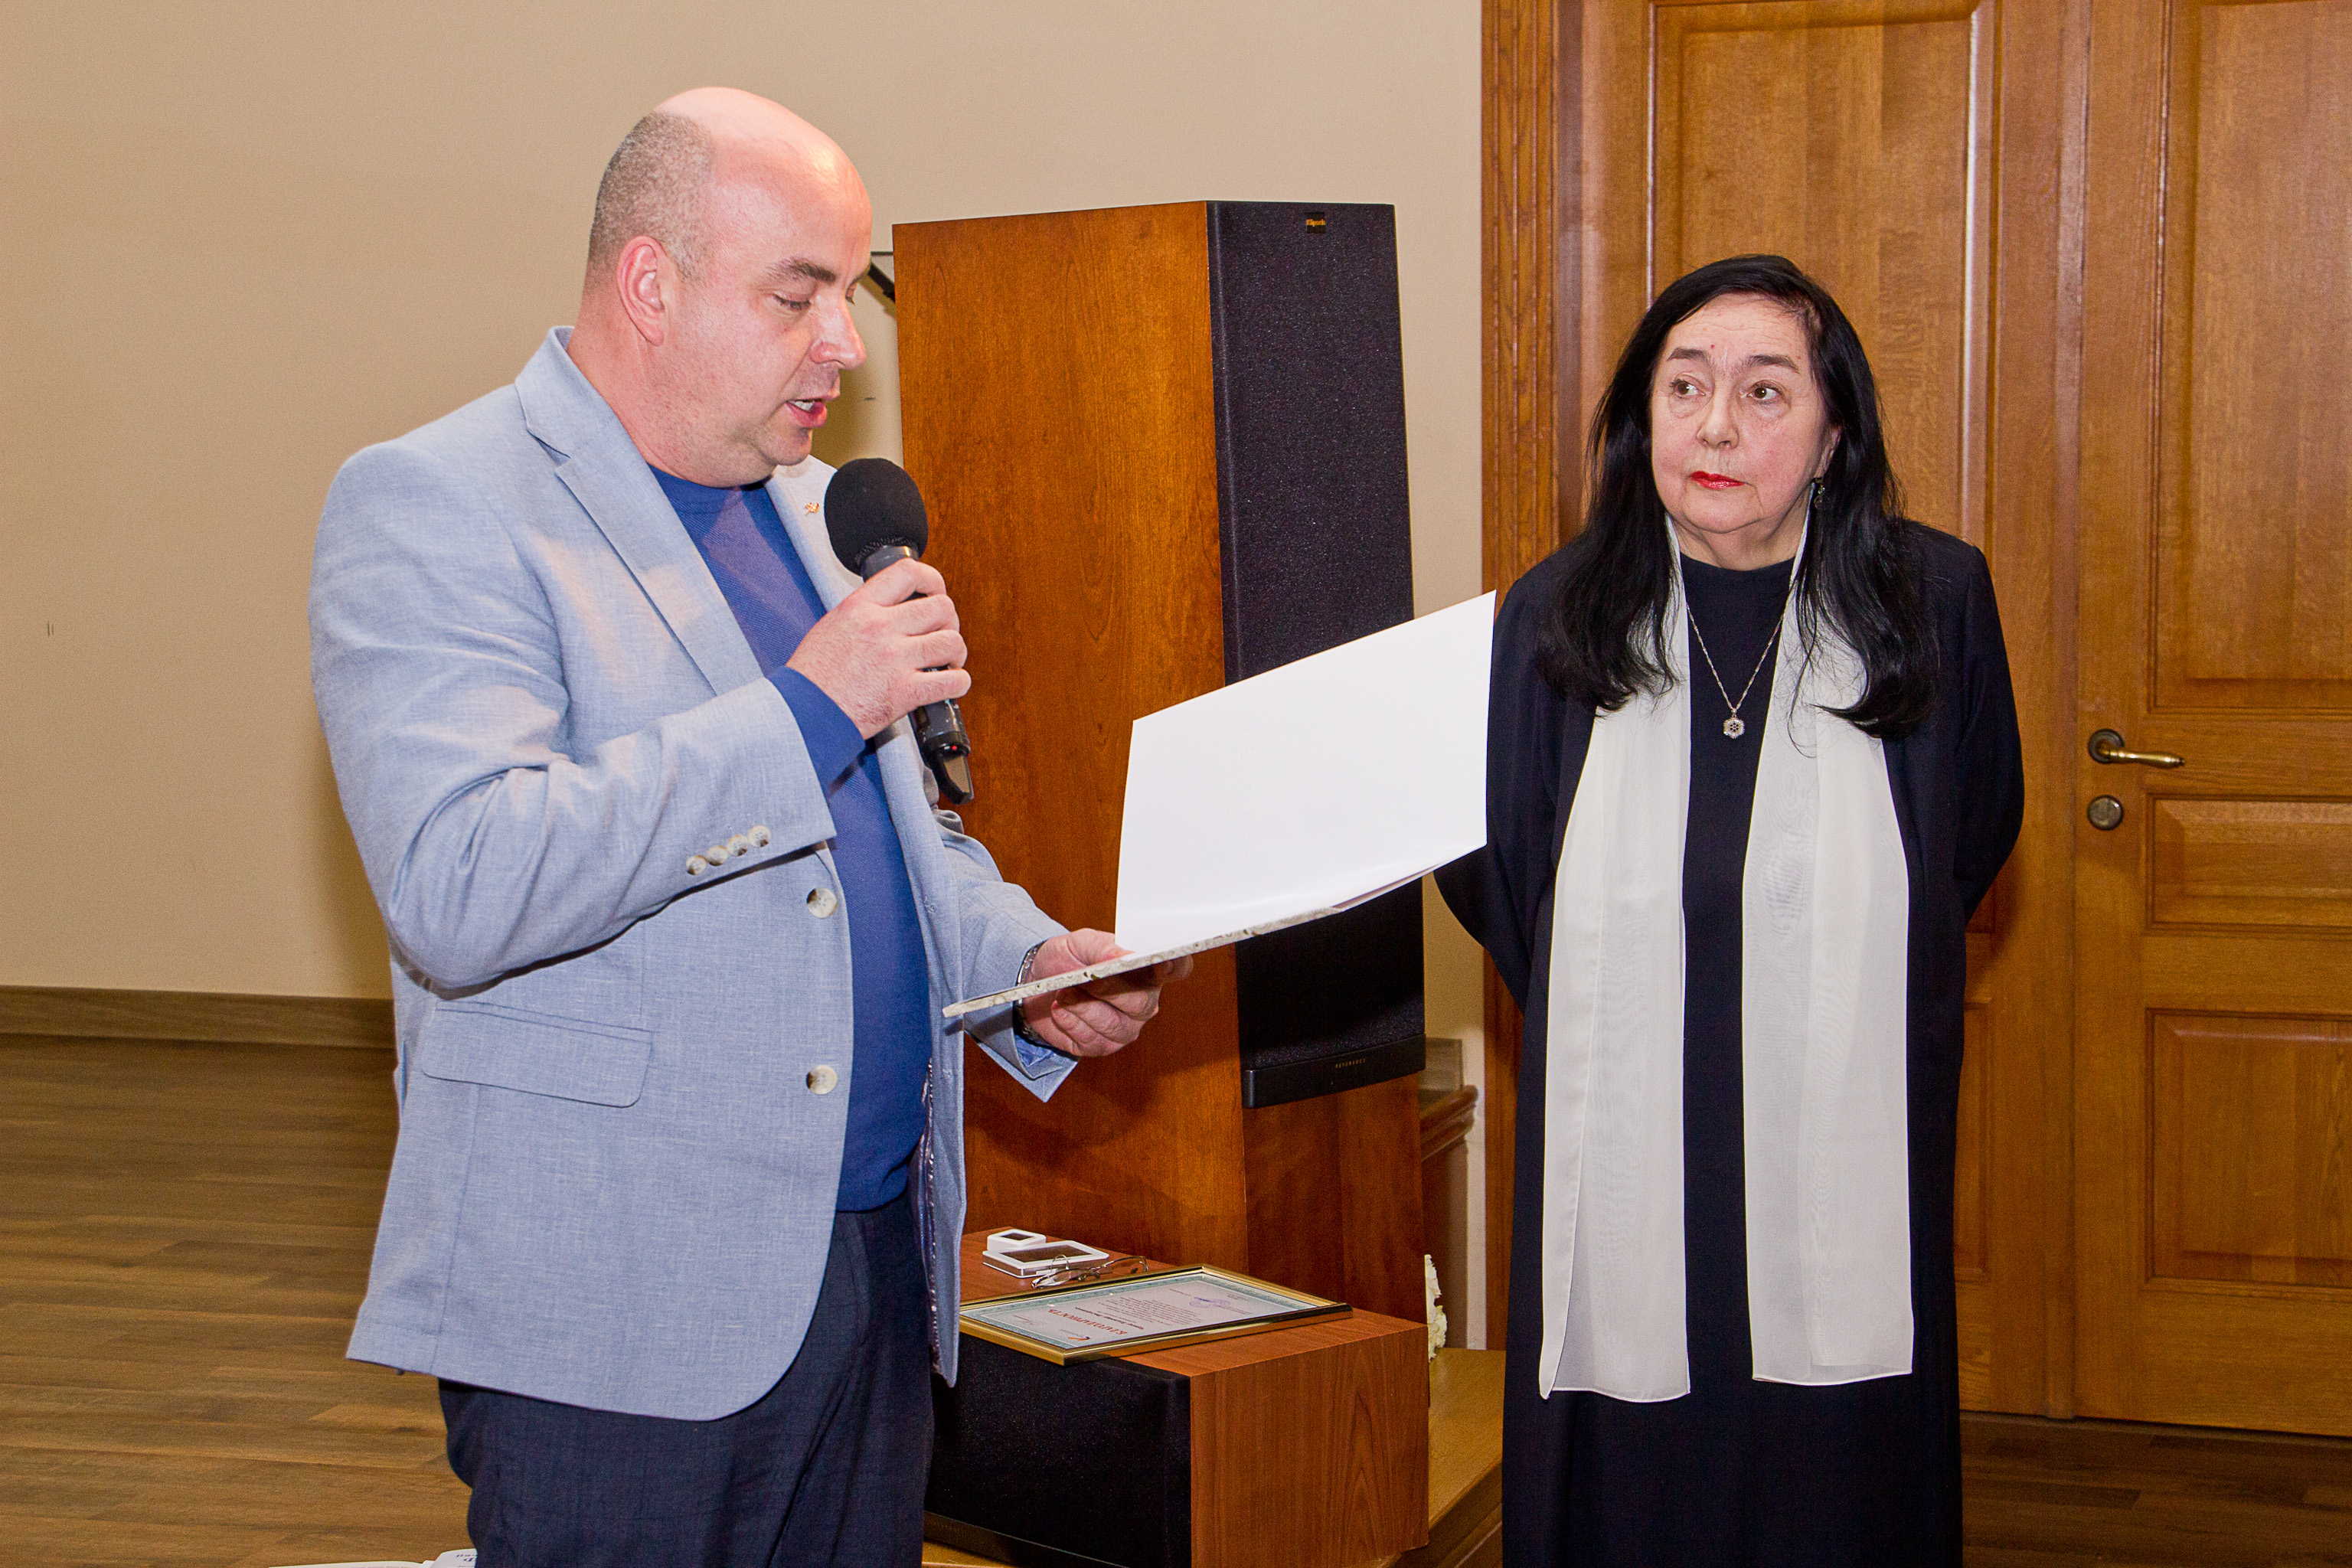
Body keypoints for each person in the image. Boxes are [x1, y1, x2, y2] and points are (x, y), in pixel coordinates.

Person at [309, 88, 1187, 1566]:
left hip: (870, 1270)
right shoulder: (441, 502)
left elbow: (892, 850)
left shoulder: (818, 511)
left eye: (851, 294)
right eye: (799, 296)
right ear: (651, 283)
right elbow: (461, 881)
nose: (846, 345)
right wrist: (806, 706)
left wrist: (1027, 965)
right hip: (618, 1309)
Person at [1439, 253, 2023, 1566]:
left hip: (1846, 1122)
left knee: (1834, 1463)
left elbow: (1971, 835)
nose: (1715, 427)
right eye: (1684, 387)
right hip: (1630, 1122)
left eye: (1764, 392)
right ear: (1642, 420)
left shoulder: (1932, 602)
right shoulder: (1553, 615)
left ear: (1833, 436)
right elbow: (1498, 873)